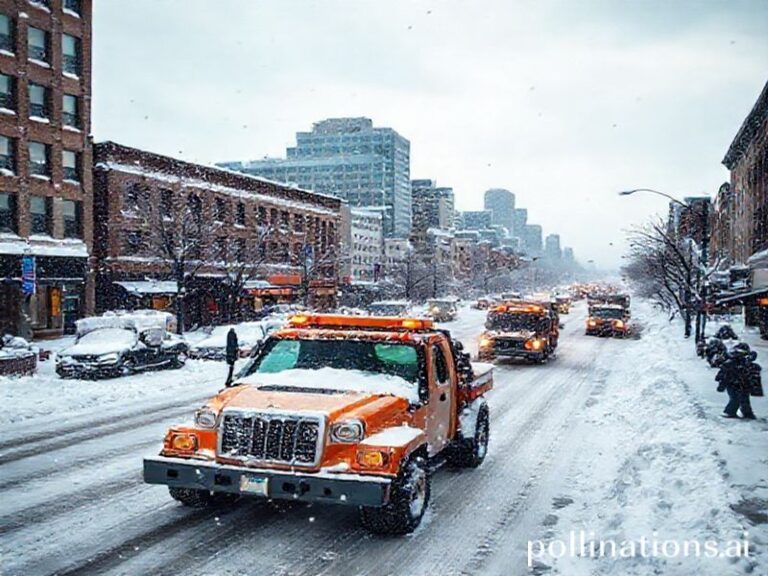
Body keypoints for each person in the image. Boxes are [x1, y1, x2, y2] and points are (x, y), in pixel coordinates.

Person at [716, 343, 757, 419]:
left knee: (745, 399)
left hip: (743, 384)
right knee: (735, 399)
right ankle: (729, 412)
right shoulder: (730, 363)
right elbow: (723, 375)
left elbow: (753, 358)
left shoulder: (745, 362)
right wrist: (722, 385)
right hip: (732, 384)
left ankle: (747, 412)